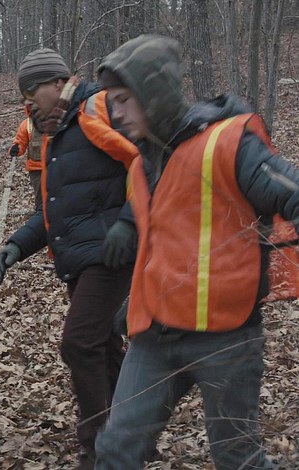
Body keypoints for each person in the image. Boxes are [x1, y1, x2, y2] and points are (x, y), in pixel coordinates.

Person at [92, 34, 299, 470]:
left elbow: (290, 192)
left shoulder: (229, 143)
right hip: (155, 338)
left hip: (227, 338)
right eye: (113, 102)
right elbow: (167, 231)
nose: (116, 112)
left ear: (153, 94)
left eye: (124, 100)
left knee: (237, 457)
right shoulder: (142, 163)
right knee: (114, 451)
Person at [0, 48, 140, 469]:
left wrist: (128, 223)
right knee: (103, 346)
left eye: (32, 91)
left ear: (58, 83)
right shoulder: (58, 131)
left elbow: (150, 166)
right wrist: (18, 245)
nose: (27, 102)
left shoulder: (98, 109)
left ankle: (99, 449)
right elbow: (57, 207)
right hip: (81, 254)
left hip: (110, 253)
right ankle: (131, 431)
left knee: (78, 343)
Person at [9, 105, 44, 208]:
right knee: (40, 200)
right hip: (37, 169)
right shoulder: (27, 124)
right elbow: (20, 142)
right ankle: (41, 214)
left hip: (56, 166)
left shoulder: (56, 121)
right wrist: (15, 149)